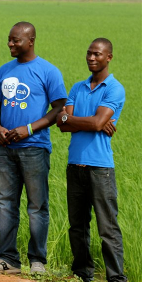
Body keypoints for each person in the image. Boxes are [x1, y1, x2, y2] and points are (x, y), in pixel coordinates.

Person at [0, 22, 67, 275]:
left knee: (37, 205)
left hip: (34, 148)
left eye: (15, 40)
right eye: (9, 39)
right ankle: (7, 259)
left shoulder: (48, 71)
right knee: (5, 203)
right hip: (6, 148)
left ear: (30, 41)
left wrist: (28, 129)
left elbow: (59, 108)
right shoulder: (5, 70)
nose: (10, 44)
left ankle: (37, 260)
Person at [56, 38, 127, 282]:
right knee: (77, 226)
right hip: (75, 165)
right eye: (89, 53)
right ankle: (82, 274)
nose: (91, 58)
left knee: (107, 228)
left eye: (97, 54)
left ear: (109, 57)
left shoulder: (114, 88)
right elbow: (62, 124)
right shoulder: (77, 87)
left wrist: (75, 120)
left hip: (100, 168)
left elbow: (77, 120)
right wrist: (93, 122)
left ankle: (116, 278)